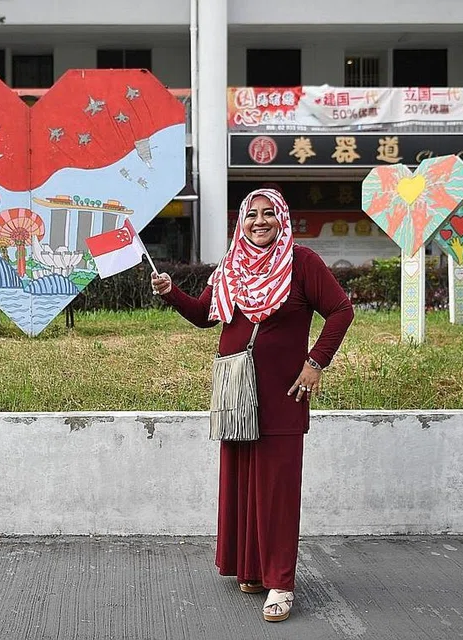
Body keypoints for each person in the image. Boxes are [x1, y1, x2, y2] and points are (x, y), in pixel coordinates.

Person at [150, 188, 354, 623]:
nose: (259, 222)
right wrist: (171, 292)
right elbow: (206, 314)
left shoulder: (302, 263)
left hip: (283, 394)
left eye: (268, 214)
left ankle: (280, 582)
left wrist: (316, 362)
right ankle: (251, 569)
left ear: (283, 218)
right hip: (236, 393)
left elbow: (340, 310)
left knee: (277, 490)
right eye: (251, 216)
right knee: (242, 483)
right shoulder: (232, 266)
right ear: (240, 223)